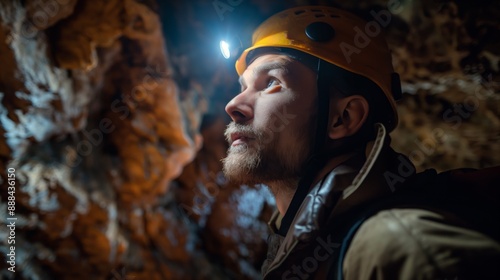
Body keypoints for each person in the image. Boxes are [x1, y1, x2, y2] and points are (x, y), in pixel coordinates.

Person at [221, 5, 500, 280]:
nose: (233, 105)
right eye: (243, 87)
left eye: (271, 82)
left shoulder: (401, 252)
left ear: (343, 118)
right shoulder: (304, 252)